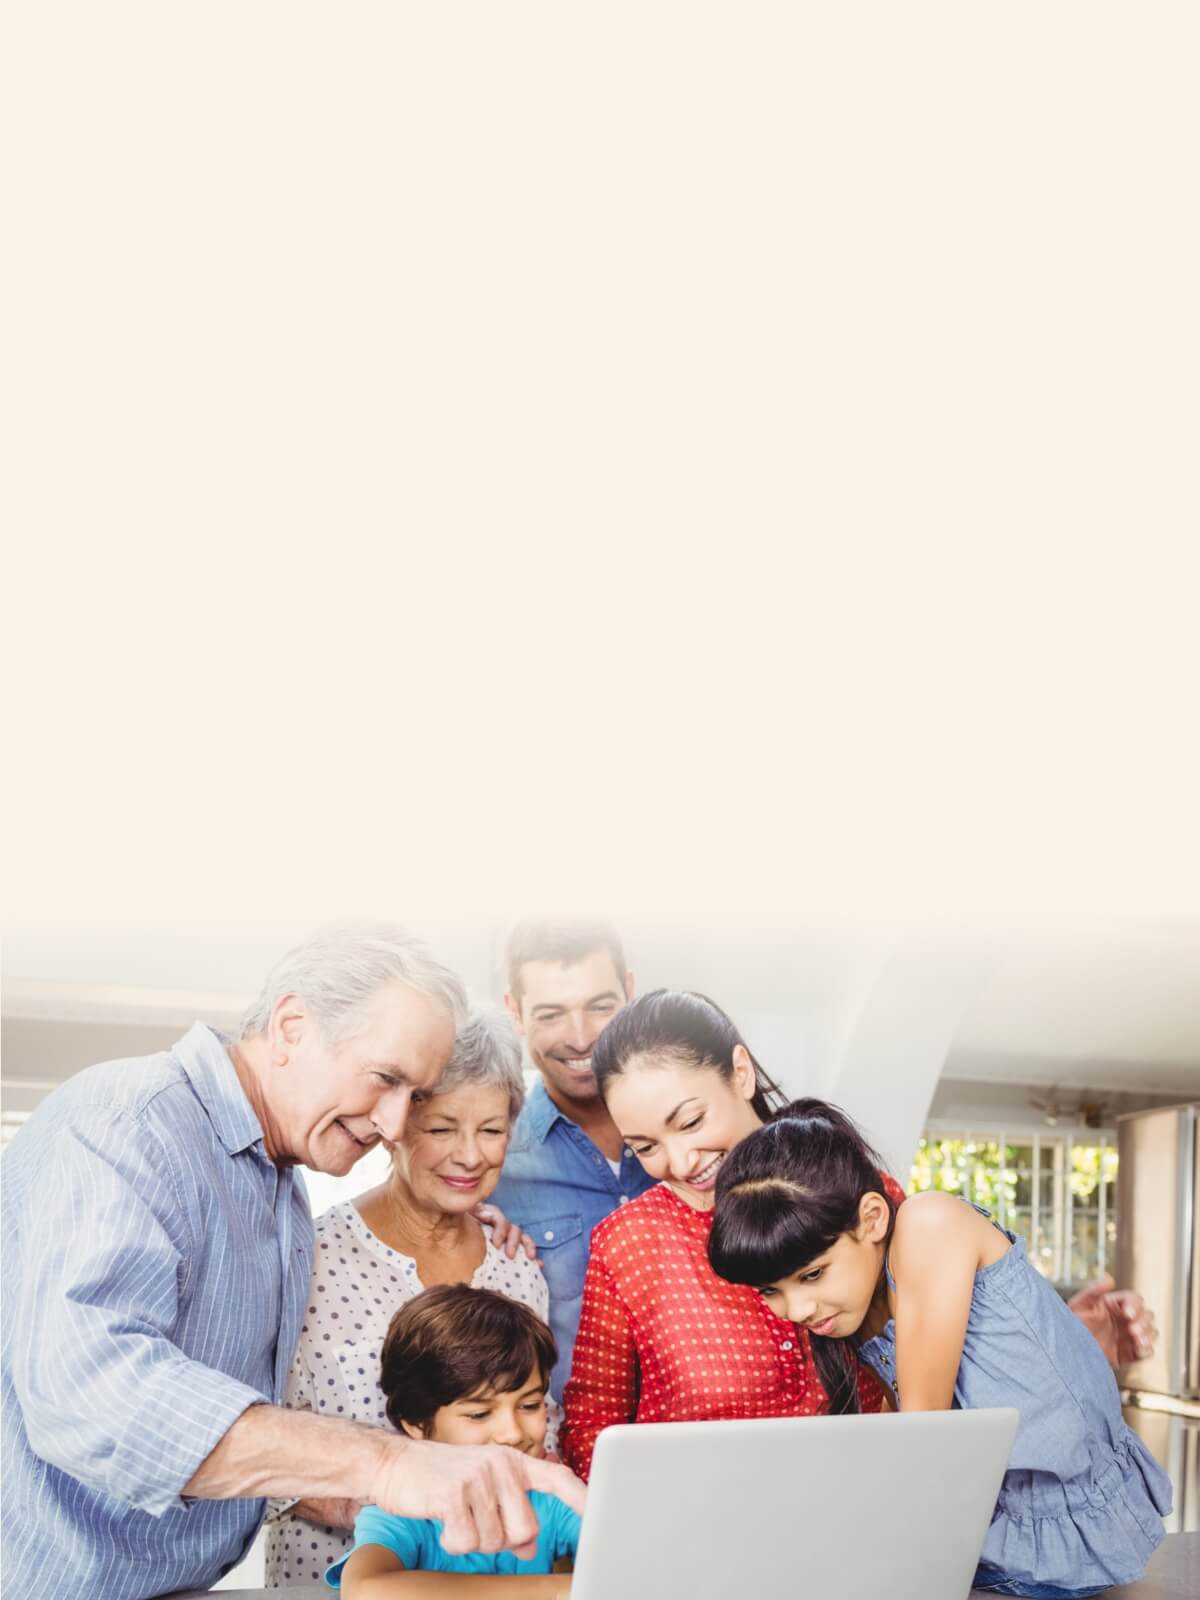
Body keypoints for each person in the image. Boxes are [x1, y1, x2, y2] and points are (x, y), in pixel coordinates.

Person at [1, 925, 584, 1600]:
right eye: (386, 1079)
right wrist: (390, 1464)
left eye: (415, 1097)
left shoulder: (277, 1186)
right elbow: (93, 1397)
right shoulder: (129, 1123)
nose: (395, 1126)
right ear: (291, 1026)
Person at [561, 990, 1161, 1481]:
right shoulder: (628, 1244)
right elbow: (590, 1426)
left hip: (871, 1526)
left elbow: (944, 1354)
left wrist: (1058, 1336)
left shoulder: (862, 1192)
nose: (680, 1159)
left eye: (690, 1121)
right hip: (699, 1545)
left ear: (740, 1073)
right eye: (645, 1148)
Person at [707, 1099, 1173, 1598]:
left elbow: (921, 1440)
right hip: (992, 1541)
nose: (795, 1309)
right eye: (770, 1291)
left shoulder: (929, 1223)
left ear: (872, 1219)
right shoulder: (862, 1308)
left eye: (813, 1274)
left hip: (1053, 1538)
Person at [266, 1007, 562, 1586]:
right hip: (328, 1576)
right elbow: (245, 1437)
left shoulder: (518, 1267)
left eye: (492, 1130)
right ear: (395, 1127)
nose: (470, 1155)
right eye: (443, 1128)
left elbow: (537, 1430)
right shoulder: (309, 1256)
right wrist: (397, 1508)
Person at [327, 1286, 580, 1598]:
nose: (513, 1433)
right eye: (479, 1414)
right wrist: (565, 1590)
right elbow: (366, 1591)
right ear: (417, 1423)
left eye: (529, 1406)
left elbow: (636, 1564)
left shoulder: (551, 1498)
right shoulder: (401, 1508)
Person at [492, 919, 654, 1395]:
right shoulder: (489, 1165)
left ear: (629, 991)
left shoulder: (704, 1141)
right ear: (515, 1013)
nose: (581, 1038)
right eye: (550, 1015)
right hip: (563, 1456)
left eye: (600, 1007)